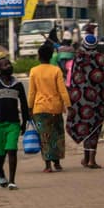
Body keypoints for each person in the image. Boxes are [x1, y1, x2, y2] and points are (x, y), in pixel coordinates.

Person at [66, 33, 104, 169]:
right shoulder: (101, 58)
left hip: (81, 100)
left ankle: (87, 158)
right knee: (95, 128)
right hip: (98, 99)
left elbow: (73, 79)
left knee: (85, 126)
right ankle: (91, 159)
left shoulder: (78, 58)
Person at [0, 56, 30, 189]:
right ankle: (0, 170)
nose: (9, 66)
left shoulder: (18, 84)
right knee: (1, 153)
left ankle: (12, 181)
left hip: (13, 123)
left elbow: (24, 105)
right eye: (5, 65)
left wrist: (25, 122)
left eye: (9, 64)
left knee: (12, 150)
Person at [29, 40, 71, 173]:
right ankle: (57, 163)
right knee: (57, 135)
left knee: (44, 137)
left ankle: (47, 165)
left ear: (39, 56)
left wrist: (29, 108)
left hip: (40, 108)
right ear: (51, 56)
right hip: (56, 108)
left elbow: (32, 92)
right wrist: (68, 105)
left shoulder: (34, 71)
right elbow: (62, 90)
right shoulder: (56, 70)